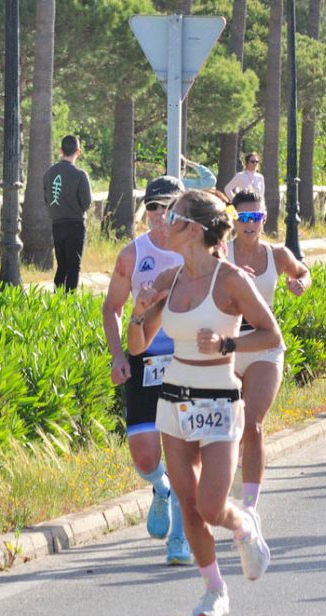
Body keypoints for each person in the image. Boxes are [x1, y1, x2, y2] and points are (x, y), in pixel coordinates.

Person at [128, 189, 282, 616]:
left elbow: (270, 334)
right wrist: (139, 313)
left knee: (212, 505)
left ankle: (243, 525)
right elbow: (137, 346)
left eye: (173, 217)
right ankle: (215, 590)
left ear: (193, 230)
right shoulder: (169, 279)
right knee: (189, 505)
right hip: (174, 401)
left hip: (218, 399)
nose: (164, 223)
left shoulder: (231, 280)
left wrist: (227, 344)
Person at [102, 175, 192, 566]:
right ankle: (161, 488)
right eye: (152, 206)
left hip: (187, 359)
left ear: (181, 210)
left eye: (166, 207)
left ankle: (180, 538)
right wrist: (117, 356)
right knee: (144, 456)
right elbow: (112, 308)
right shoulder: (132, 254)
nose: (158, 214)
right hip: (144, 359)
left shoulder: (196, 250)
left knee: (183, 453)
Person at [226, 191, 310, 511]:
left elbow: (302, 272)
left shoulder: (277, 254)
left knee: (253, 423)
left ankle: (250, 509)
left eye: (256, 217)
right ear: (234, 219)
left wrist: (301, 284)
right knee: (230, 426)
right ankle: (236, 464)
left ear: (264, 219)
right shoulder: (221, 253)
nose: (250, 224)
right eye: (244, 218)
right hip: (228, 346)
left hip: (264, 344)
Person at [43, 135, 93, 291]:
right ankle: (69, 299)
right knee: (73, 266)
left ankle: (57, 298)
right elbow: (87, 202)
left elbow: (46, 198)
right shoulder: (80, 174)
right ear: (78, 151)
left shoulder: (49, 173)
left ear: (61, 151)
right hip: (75, 225)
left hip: (57, 224)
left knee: (61, 265)